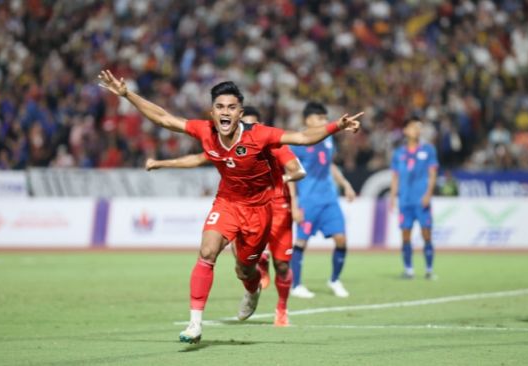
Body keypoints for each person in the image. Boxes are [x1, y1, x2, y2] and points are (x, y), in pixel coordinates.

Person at [98, 70, 362, 343]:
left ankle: (251, 289)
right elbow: (164, 118)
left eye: (232, 108)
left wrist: (337, 126)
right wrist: (127, 94)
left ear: (239, 113)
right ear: (212, 112)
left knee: (244, 270)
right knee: (207, 251)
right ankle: (195, 324)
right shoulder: (204, 130)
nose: (225, 112)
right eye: (220, 107)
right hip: (226, 203)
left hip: (259, 212)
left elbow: (303, 138)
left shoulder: (260, 135)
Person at [144, 106, 306, 327]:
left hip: (274, 209)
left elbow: (298, 170)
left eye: (250, 124)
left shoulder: (271, 142)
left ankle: (280, 306)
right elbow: (197, 158)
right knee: (230, 261)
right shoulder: (222, 141)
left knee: (283, 265)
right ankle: (251, 275)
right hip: (236, 206)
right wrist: (162, 163)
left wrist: (286, 193)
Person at [288, 102, 357, 299]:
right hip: (308, 201)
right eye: (320, 118)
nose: (324, 122)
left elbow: (330, 165)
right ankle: (297, 285)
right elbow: (289, 174)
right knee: (301, 241)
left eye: (325, 118)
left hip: (330, 200)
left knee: (341, 240)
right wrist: (294, 205)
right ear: (307, 120)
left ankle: (334, 280)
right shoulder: (298, 143)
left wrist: (345, 184)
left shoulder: (328, 141)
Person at [389, 117, 438, 279]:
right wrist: (393, 197)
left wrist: (428, 194)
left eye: (419, 127)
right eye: (413, 127)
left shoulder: (428, 150)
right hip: (405, 201)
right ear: (405, 131)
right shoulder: (399, 153)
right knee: (405, 235)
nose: (417, 130)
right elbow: (395, 177)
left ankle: (429, 269)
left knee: (426, 235)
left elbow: (432, 174)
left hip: (421, 199)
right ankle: (408, 269)